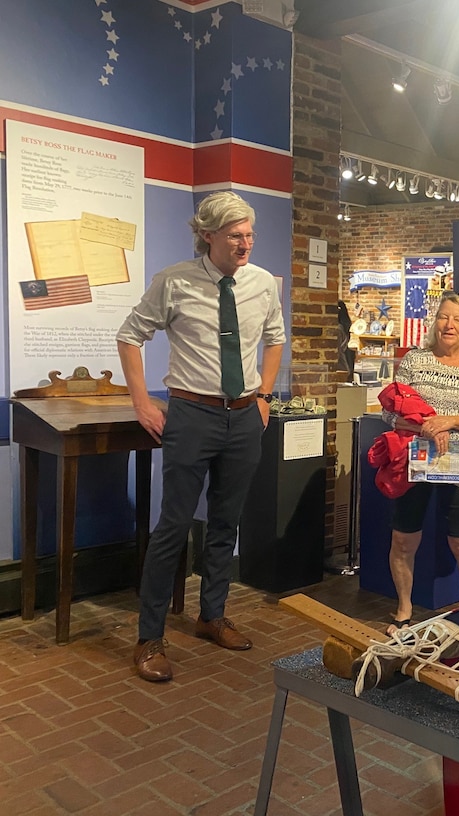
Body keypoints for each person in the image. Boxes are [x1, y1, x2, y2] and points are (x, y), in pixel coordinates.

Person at [117, 191, 285, 683]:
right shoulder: (174, 282)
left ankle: (212, 615)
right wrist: (143, 403)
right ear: (207, 235)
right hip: (192, 414)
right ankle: (150, 637)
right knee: (173, 525)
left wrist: (264, 396)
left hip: (243, 417)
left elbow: (274, 338)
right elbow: (130, 335)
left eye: (250, 234)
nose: (246, 243)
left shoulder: (260, 284)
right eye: (235, 235)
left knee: (225, 522)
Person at [383, 292, 459, 635]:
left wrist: (447, 421)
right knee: (403, 540)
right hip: (413, 462)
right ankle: (403, 608)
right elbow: (391, 412)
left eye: (457, 319)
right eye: (443, 317)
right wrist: (424, 426)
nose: (449, 325)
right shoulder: (415, 360)